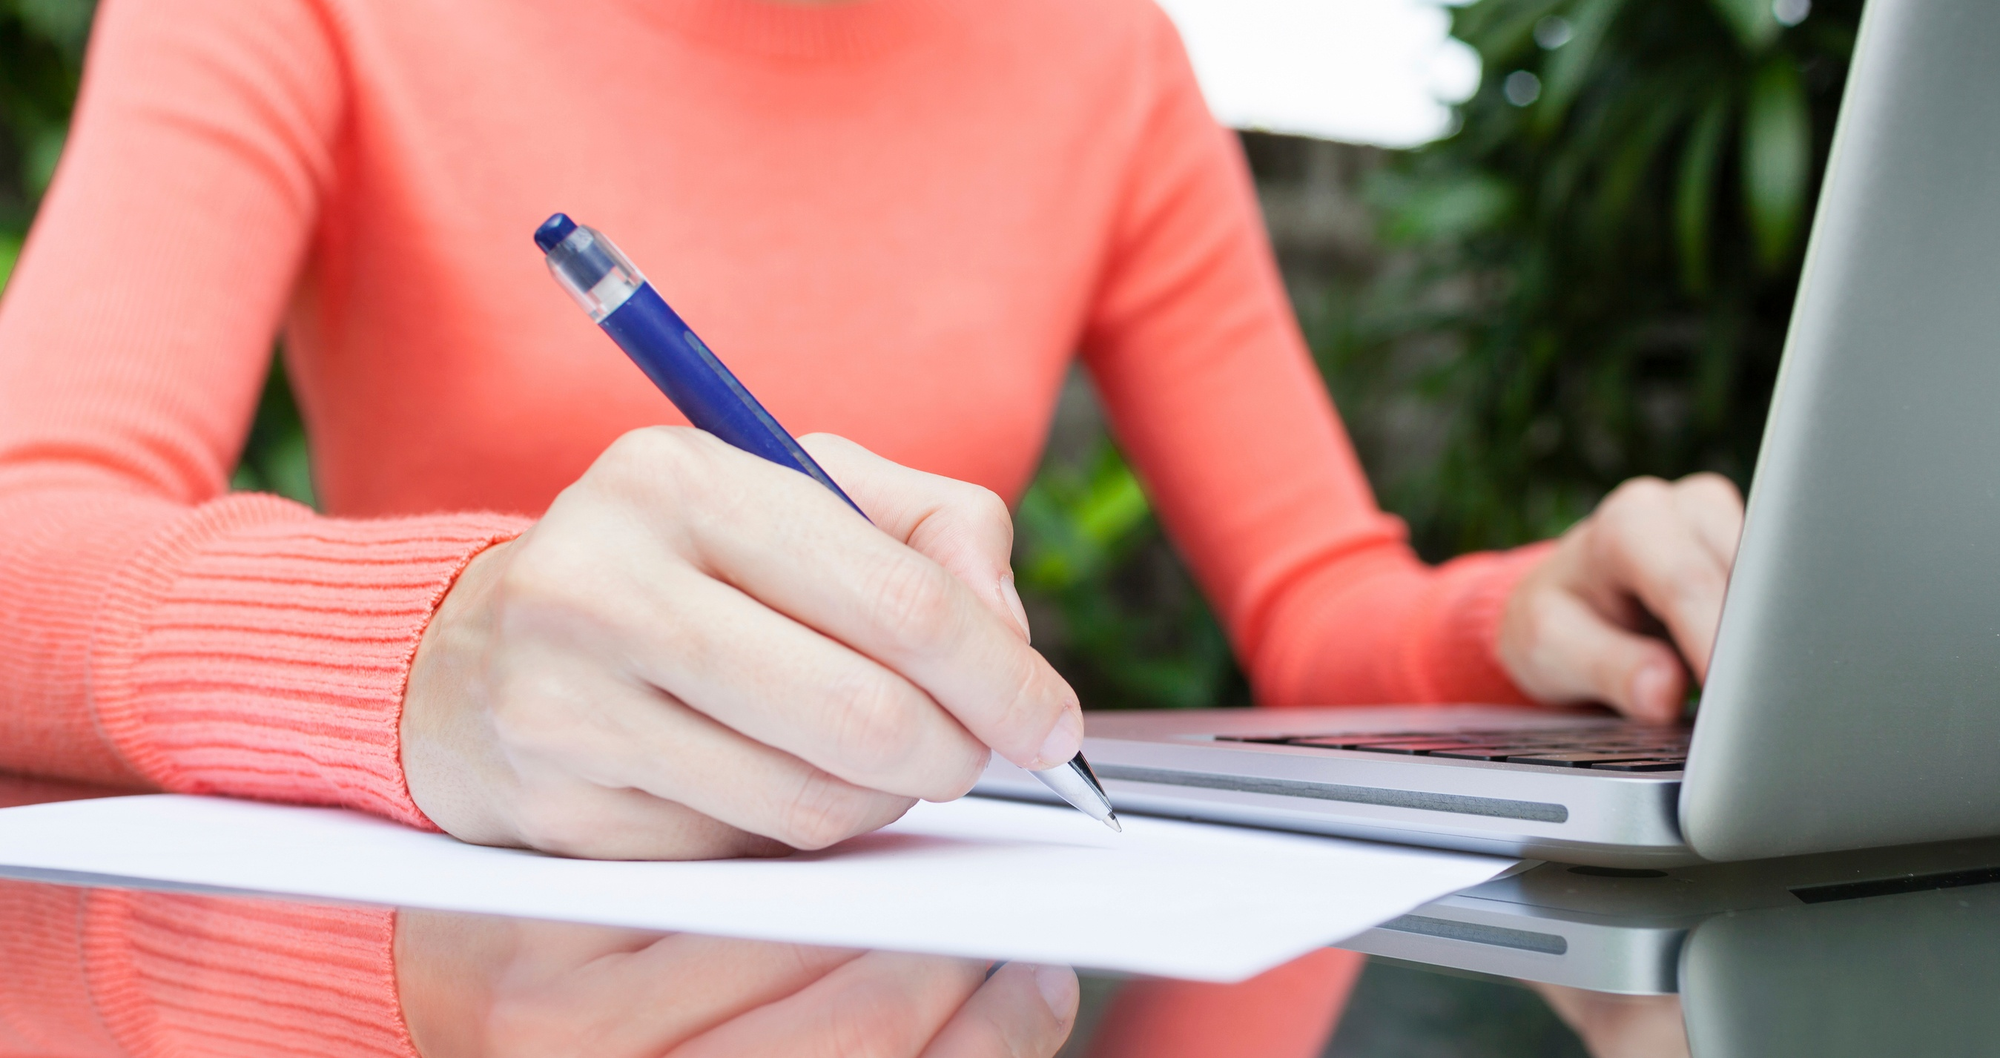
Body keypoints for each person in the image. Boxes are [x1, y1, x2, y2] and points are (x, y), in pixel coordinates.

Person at [0, 0, 1741, 1052]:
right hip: (469, 984)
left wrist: (1521, 619)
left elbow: (1317, 603)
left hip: (911, 979)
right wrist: (423, 650)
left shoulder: (1098, 56)